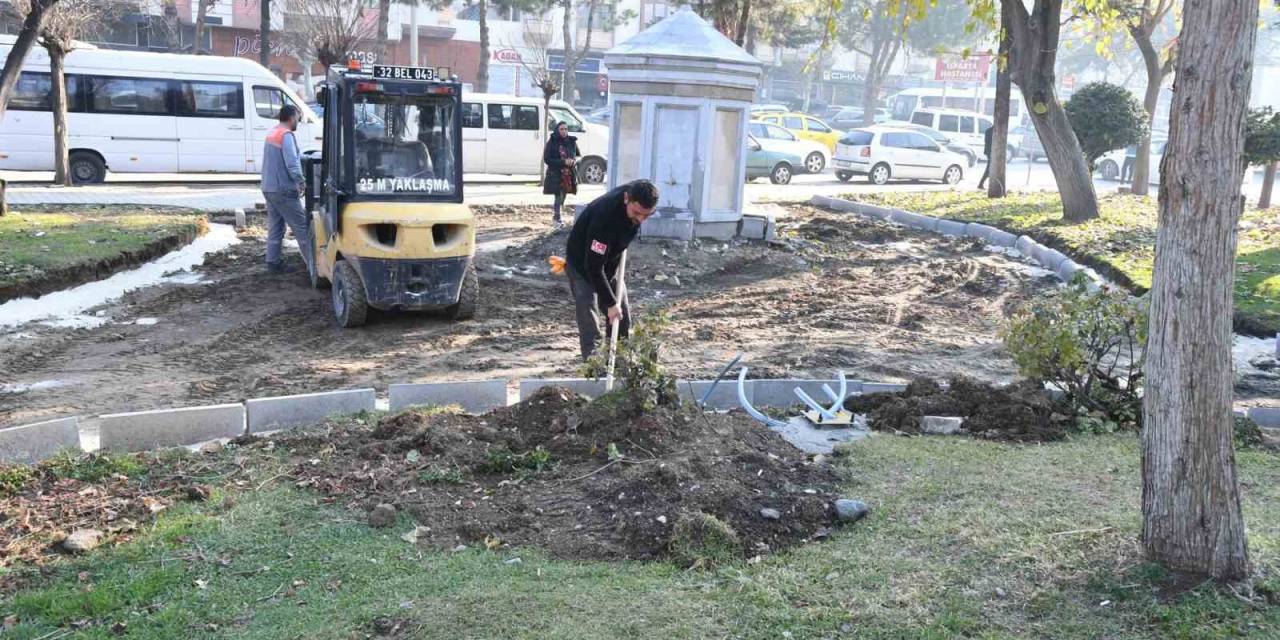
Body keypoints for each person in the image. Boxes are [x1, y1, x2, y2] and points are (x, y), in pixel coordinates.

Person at [565, 180, 660, 361]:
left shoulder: (638, 193)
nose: (640, 220)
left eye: (646, 216)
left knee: (621, 315)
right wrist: (609, 303)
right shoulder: (604, 218)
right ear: (626, 199)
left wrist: (613, 304)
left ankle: (618, 361)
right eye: (637, 213)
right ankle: (594, 367)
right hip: (582, 264)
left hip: (611, 262)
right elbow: (593, 266)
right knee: (589, 319)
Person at [261, 104, 312, 276]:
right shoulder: (286, 135)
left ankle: (272, 262)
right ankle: (314, 268)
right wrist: (301, 181)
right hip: (283, 189)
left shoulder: (273, 132)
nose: (298, 121)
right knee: (303, 228)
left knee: (276, 227)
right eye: (298, 117)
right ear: (291, 117)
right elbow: (292, 163)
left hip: (269, 187)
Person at [543, 121, 580, 225]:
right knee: (558, 194)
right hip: (555, 174)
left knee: (563, 194)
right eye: (561, 129)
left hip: (568, 175)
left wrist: (573, 161)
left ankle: (557, 214)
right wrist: (563, 162)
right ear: (557, 130)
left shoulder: (571, 141)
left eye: (566, 129)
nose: (564, 131)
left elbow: (578, 155)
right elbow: (547, 159)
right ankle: (557, 217)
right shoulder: (552, 142)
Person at [977, 124, 995, 190]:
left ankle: (981, 183)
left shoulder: (988, 130)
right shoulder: (993, 131)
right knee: (989, 169)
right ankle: (981, 183)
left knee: (989, 168)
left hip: (988, 151)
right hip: (991, 152)